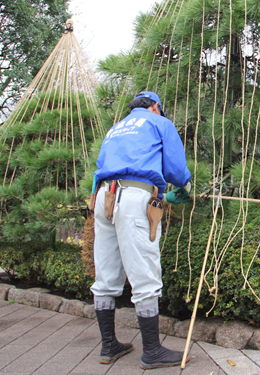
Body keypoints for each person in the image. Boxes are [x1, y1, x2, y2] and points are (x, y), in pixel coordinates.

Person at [91, 91, 192, 369]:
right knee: (145, 273)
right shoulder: (159, 123)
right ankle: (152, 352)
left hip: (104, 198)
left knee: (106, 275)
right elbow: (176, 170)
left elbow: (102, 166)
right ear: (155, 106)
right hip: (134, 199)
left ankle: (109, 345)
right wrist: (185, 186)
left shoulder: (116, 128)